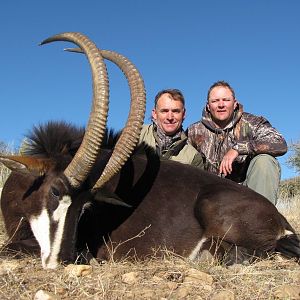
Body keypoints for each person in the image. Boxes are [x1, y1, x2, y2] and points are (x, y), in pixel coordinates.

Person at [187, 80, 287, 205]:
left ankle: (262, 221)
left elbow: (280, 144)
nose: (221, 105)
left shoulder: (253, 122)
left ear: (235, 103)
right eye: (215, 101)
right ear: (208, 106)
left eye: (226, 100)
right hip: (209, 197)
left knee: (265, 160)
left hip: (246, 194)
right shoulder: (193, 131)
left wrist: (239, 148)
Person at [139, 88, 203, 167]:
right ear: (154, 114)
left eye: (176, 111)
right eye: (164, 111)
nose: (170, 117)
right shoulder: (136, 135)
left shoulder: (193, 157)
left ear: (183, 114)